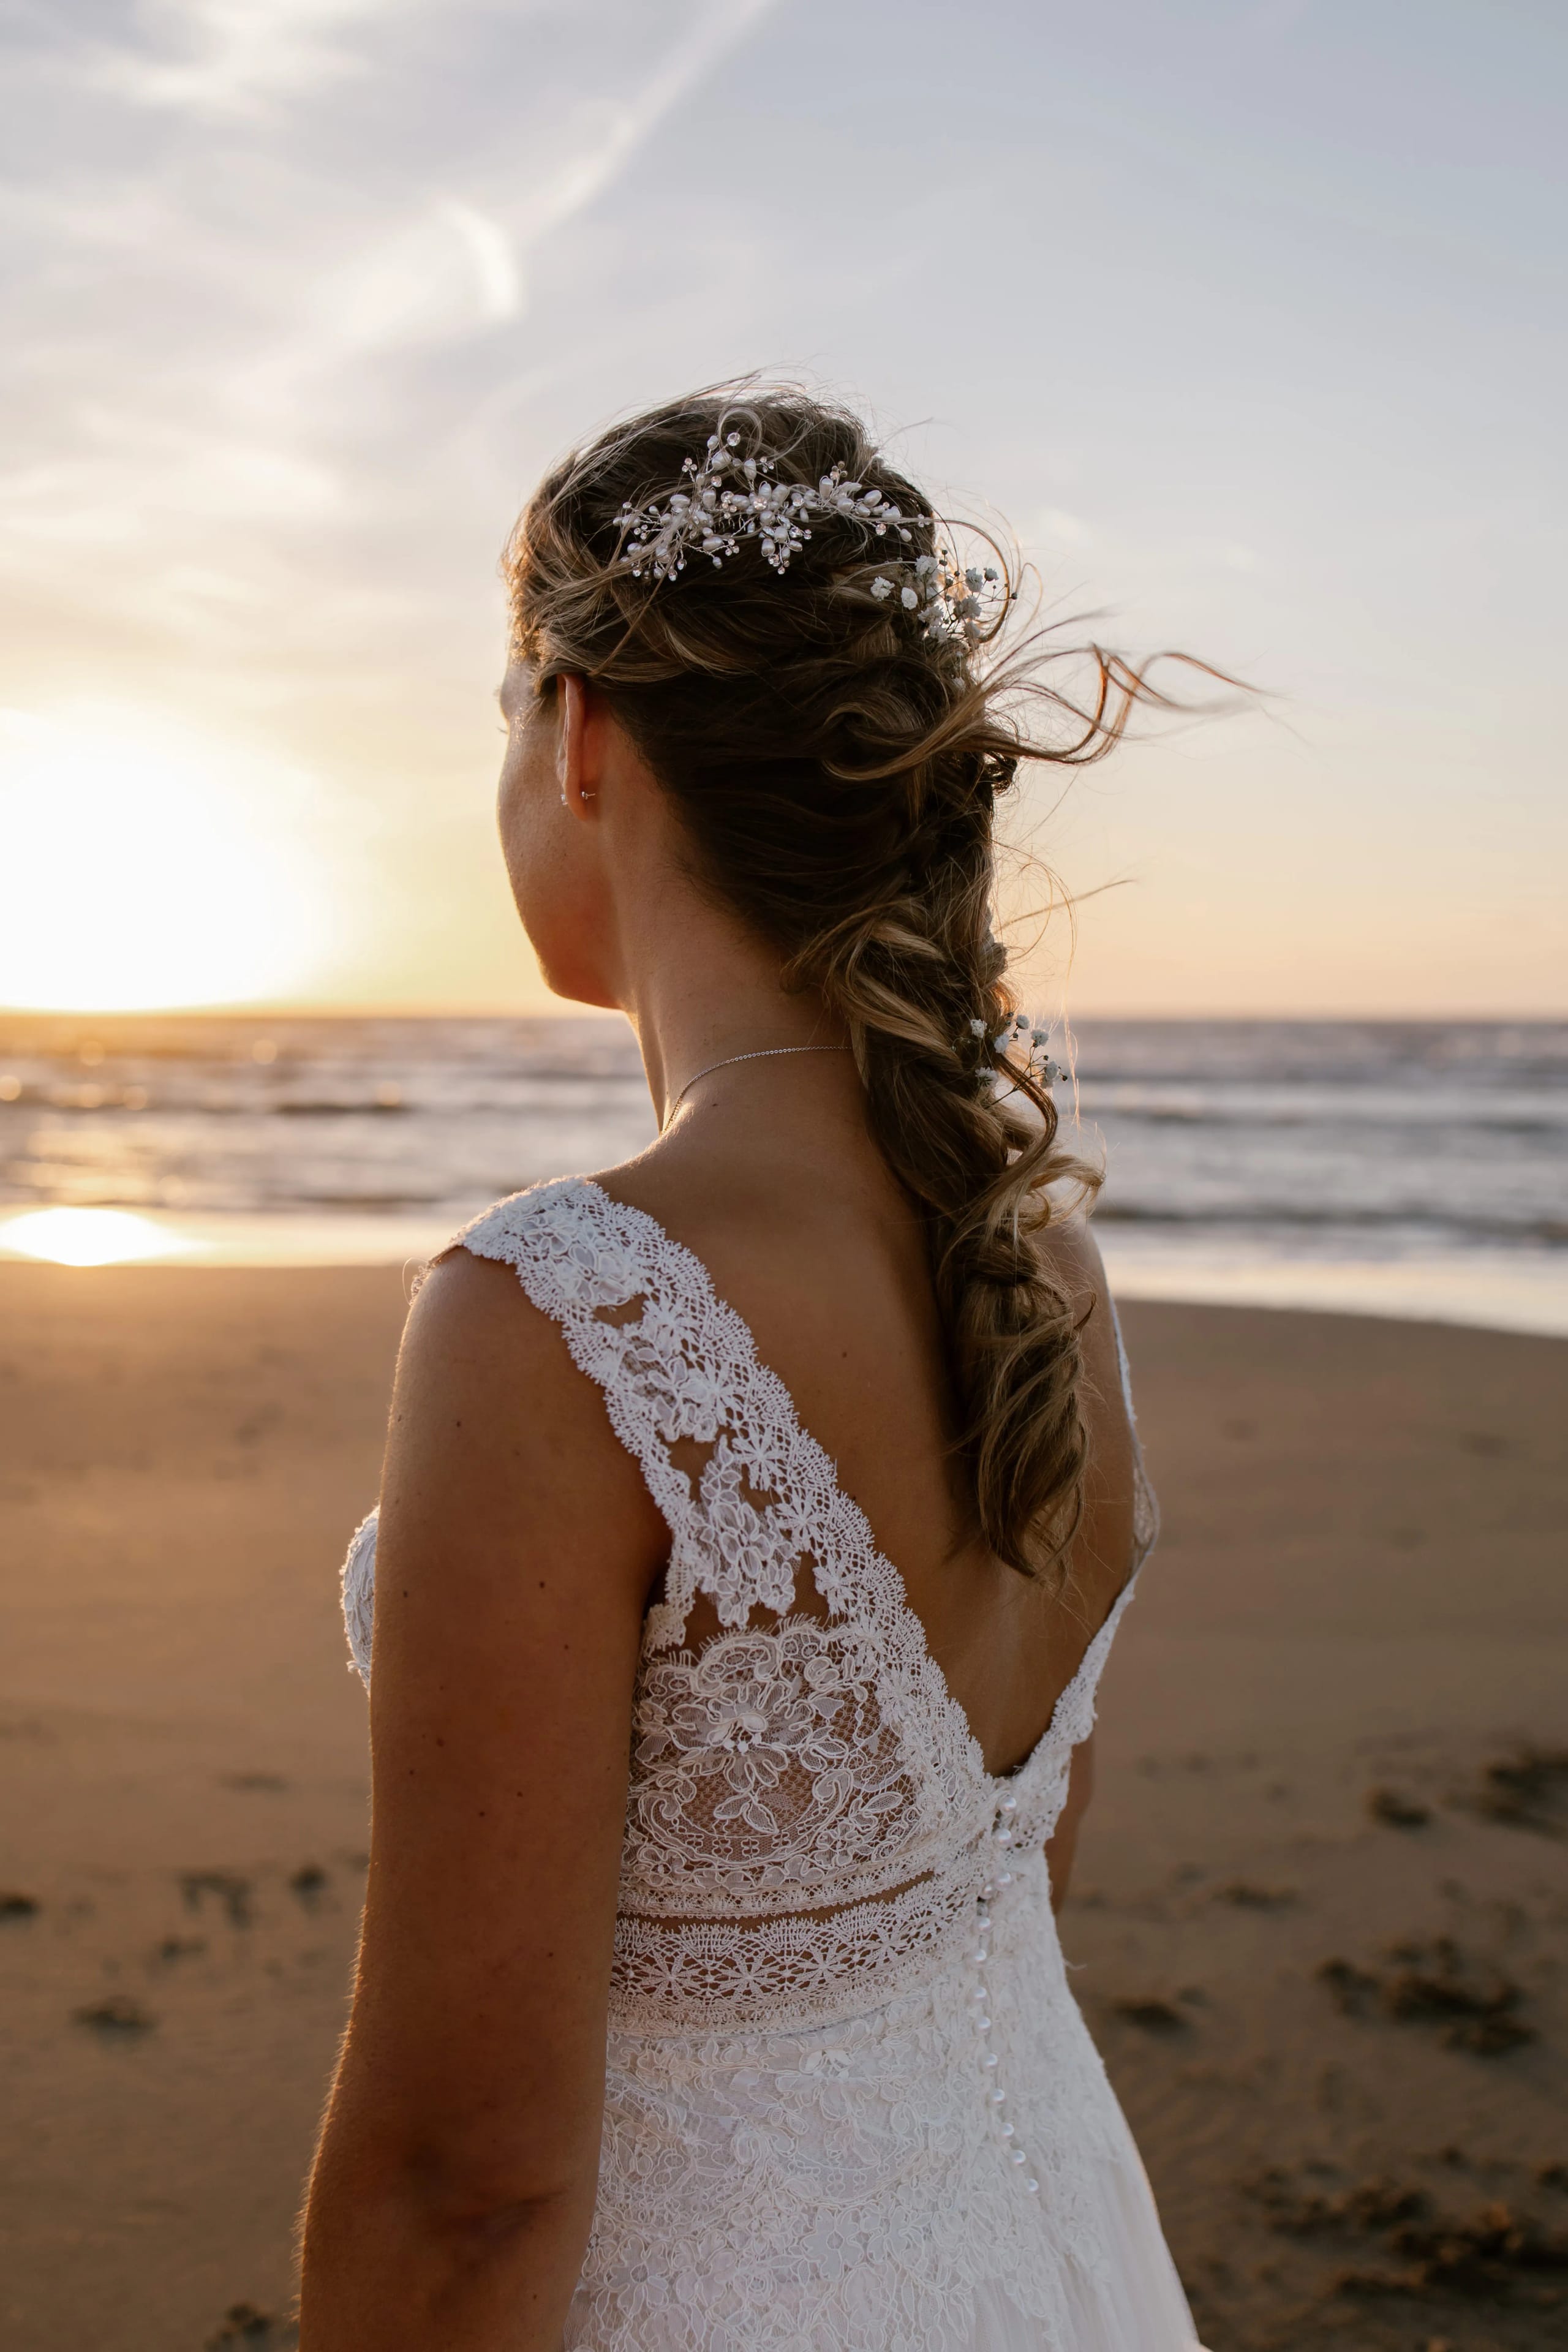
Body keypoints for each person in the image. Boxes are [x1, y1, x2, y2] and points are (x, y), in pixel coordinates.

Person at [299, 385, 1204, 2351]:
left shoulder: (563, 1316)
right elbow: (1005, 1896)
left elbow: (468, 2186)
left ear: (580, 733)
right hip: (1055, 2264)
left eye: (503, 711)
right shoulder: (1037, 1261)